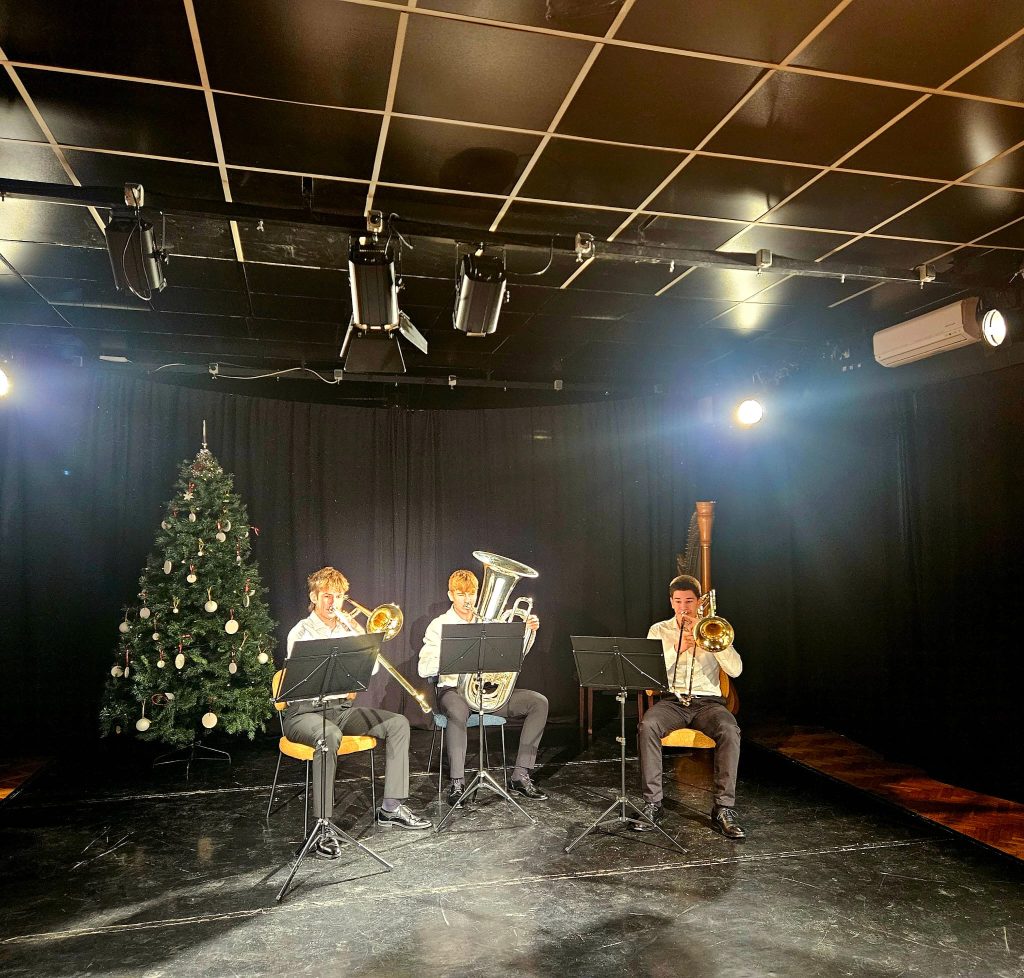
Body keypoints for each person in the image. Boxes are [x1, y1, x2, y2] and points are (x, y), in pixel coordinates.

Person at [283, 566, 431, 858]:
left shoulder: (348, 629)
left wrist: (361, 637)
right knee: (328, 735)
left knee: (398, 724)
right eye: (327, 596)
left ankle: (391, 808)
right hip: (303, 713)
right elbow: (301, 680)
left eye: (338, 596)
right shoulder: (300, 631)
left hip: (338, 709)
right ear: (314, 597)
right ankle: (323, 827)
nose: (333, 603)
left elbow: (371, 671)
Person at [418, 569, 549, 807]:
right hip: (453, 692)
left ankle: (520, 775)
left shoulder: (489, 623)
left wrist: (527, 632)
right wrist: (453, 657)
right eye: (461, 594)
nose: (467, 600)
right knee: (458, 711)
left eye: (471, 594)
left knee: (539, 703)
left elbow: (512, 658)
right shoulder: (439, 625)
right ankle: (457, 783)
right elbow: (423, 667)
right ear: (451, 595)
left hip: (486, 692)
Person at [635, 575, 746, 839]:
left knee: (730, 730)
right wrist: (676, 649)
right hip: (672, 701)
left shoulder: (712, 627)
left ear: (699, 603)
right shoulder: (659, 630)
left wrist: (713, 642)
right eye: (678, 601)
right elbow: (648, 675)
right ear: (671, 602)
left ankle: (723, 809)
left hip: (708, 703)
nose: (683, 607)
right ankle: (653, 804)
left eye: (689, 601)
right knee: (647, 726)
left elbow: (736, 670)